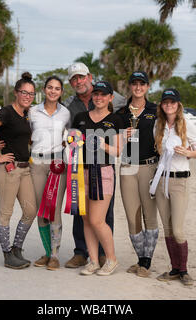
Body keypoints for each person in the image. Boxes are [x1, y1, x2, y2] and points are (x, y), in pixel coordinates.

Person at [63, 62, 121, 269]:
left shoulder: (116, 108)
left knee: (102, 215)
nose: (78, 81)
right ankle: (84, 254)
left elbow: (122, 133)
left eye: (81, 77)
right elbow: (69, 135)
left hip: (104, 168)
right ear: (71, 82)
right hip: (80, 168)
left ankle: (107, 255)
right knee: (83, 214)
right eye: (74, 79)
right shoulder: (71, 107)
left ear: (89, 77)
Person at [0, 72, 38, 269]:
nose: (27, 97)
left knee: (31, 210)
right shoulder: (6, 112)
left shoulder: (27, 114)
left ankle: (16, 248)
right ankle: (7, 254)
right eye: (24, 92)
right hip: (8, 170)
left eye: (31, 94)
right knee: (6, 212)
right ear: (16, 93)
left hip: (25, 169)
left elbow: (24, 138)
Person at [152, 88, 196, 286]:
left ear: (178, 104)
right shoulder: (159, 124)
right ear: (162, 105)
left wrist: (187, 153)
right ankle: (174, 269)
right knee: (167, 228)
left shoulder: (187, 125)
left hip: (179, 181)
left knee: (178, 230)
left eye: (172, 102)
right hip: (161, 179)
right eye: (165, 102)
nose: (169, 105)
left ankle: (184, 270)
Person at [115, 71, 159, 278]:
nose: (138, 87)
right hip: (127, 166)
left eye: (142, 84)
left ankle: (146, 263)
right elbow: (111, 139)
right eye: (135, 84)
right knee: (132, 217)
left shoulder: (155, 110)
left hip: (149, 166)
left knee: (149, 215)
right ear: (130, 86)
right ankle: (141, 258)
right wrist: (121, 136)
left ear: (148, 87)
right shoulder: (121, 113)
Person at [28, 76, 70, 270]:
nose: (53, 91)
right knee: (41, 211)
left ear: (61, 92)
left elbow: (70, 138)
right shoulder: (33, 111)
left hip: (57, 164)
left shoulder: (66, 113)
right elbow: (26, 134)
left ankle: (54, 255)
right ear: (44, 90)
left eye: (57, 88)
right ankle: (46, 252)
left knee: (53, 210)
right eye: (50, 88)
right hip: (37, 162)